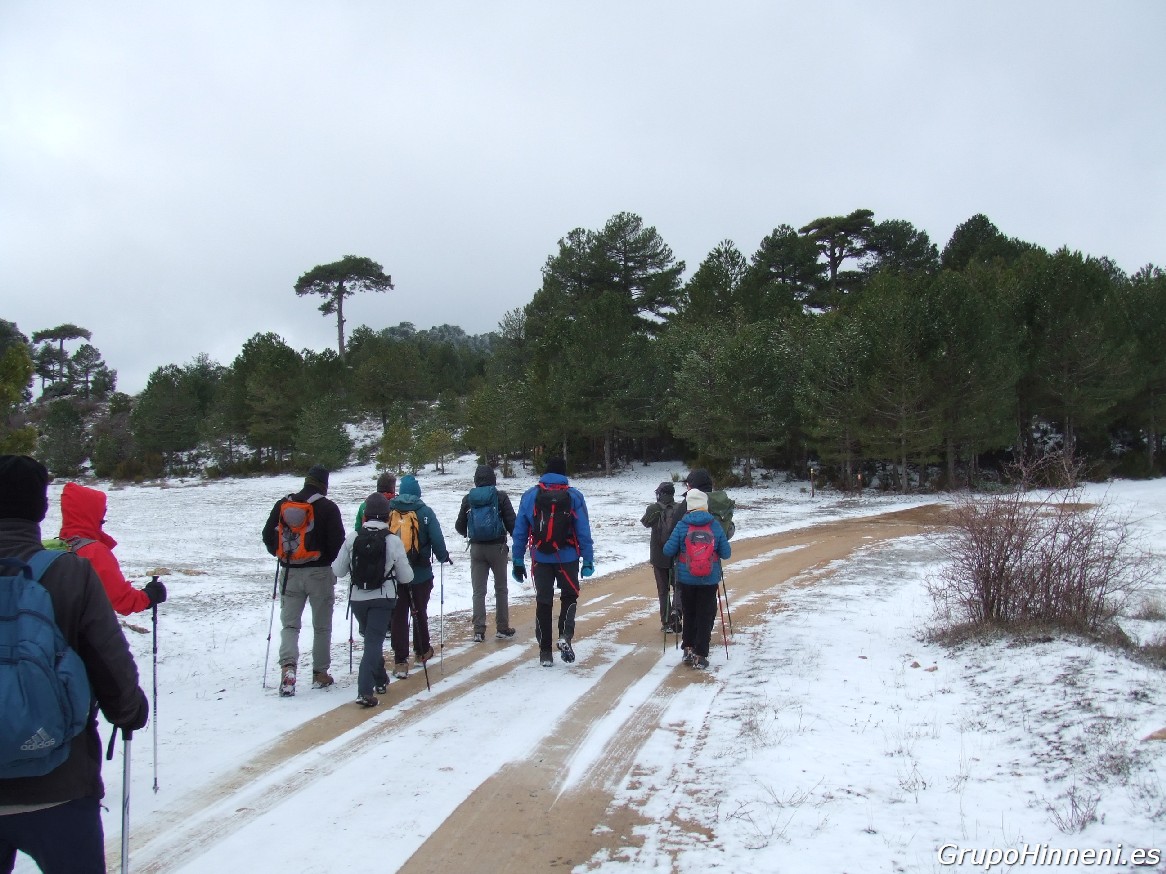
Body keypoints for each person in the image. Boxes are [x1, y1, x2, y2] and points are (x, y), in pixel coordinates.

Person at [0, 455, 149, 874]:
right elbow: (109, 660)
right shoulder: (69, 573)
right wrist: (129, 711)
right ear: (41, 508)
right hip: (59, 780)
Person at [261, 464, 346, 696]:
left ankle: (288, 669)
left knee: (290, 625)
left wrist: (281, 555)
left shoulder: (283, 505)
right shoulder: (328, 508)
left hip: (290, 572)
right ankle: (320, 673)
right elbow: (338, 544)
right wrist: (327, 561)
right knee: (322, 626)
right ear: (324, 485)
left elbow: (267, 535)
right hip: (319, 572)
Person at [511, 457, 595, 667]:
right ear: (564, 474)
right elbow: (583, 531)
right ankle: (565, 636)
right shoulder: (574, 496)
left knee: (544, 600)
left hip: (540, 557)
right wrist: (588, 559)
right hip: (568, 557)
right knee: (569, 596)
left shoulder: (530, 496)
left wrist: (518, 559)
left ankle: (545, 652)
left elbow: (520, 531)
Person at [332, 493, 414, 708]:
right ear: (387, 516)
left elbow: (338, 570)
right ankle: (364, 691)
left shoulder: (353, 537)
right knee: (373, 643)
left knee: (371, 640)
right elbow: (406, 577)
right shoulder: (392, 540)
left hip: (358, 598)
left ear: (365, 515)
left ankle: (380, 679)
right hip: (383, 599)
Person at [56, 481, 167, 616]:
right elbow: (123, 601)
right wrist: (150, 595)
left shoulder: (56, 548)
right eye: (101, 512)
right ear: (91, 514)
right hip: (85, 627)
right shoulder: (94, 552)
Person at [387, 475, 451, 678]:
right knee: (419, 611)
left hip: (395, 574)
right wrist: (443, 556)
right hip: (420, 573)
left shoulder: (390, 510)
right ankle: (422, 650)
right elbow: (437, 539)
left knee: (398, 615)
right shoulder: (425, 512)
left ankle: (400, 661)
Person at [662, 488, 731, 671]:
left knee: (689, 613)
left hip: (686, 579)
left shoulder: (682, 525)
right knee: (704, 615)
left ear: (689, 506)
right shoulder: (714, 525)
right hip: (709, 580)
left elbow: (668, 550)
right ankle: (700, 656)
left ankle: (688, 649)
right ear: (705, 505)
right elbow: (726, 553)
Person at [454, 464, 517, 642]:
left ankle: (478, 631)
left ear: (476, 480)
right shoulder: (500, 497)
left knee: (479, 591)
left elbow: (459, 527)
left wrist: (470, 532)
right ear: (493, 479)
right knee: (501, 589)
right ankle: (502, 628)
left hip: (477, 549)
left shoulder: (468, 499)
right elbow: (513, 524)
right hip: (497, 548)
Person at [640, 481, 676, 631]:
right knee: (679, 588)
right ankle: (677, 616)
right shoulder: (680, 508)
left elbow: (646, 523)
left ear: (660, 494)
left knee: (663, 591)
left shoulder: (653, 509)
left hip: (659, 556)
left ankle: (666, 622)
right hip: (676, 555)